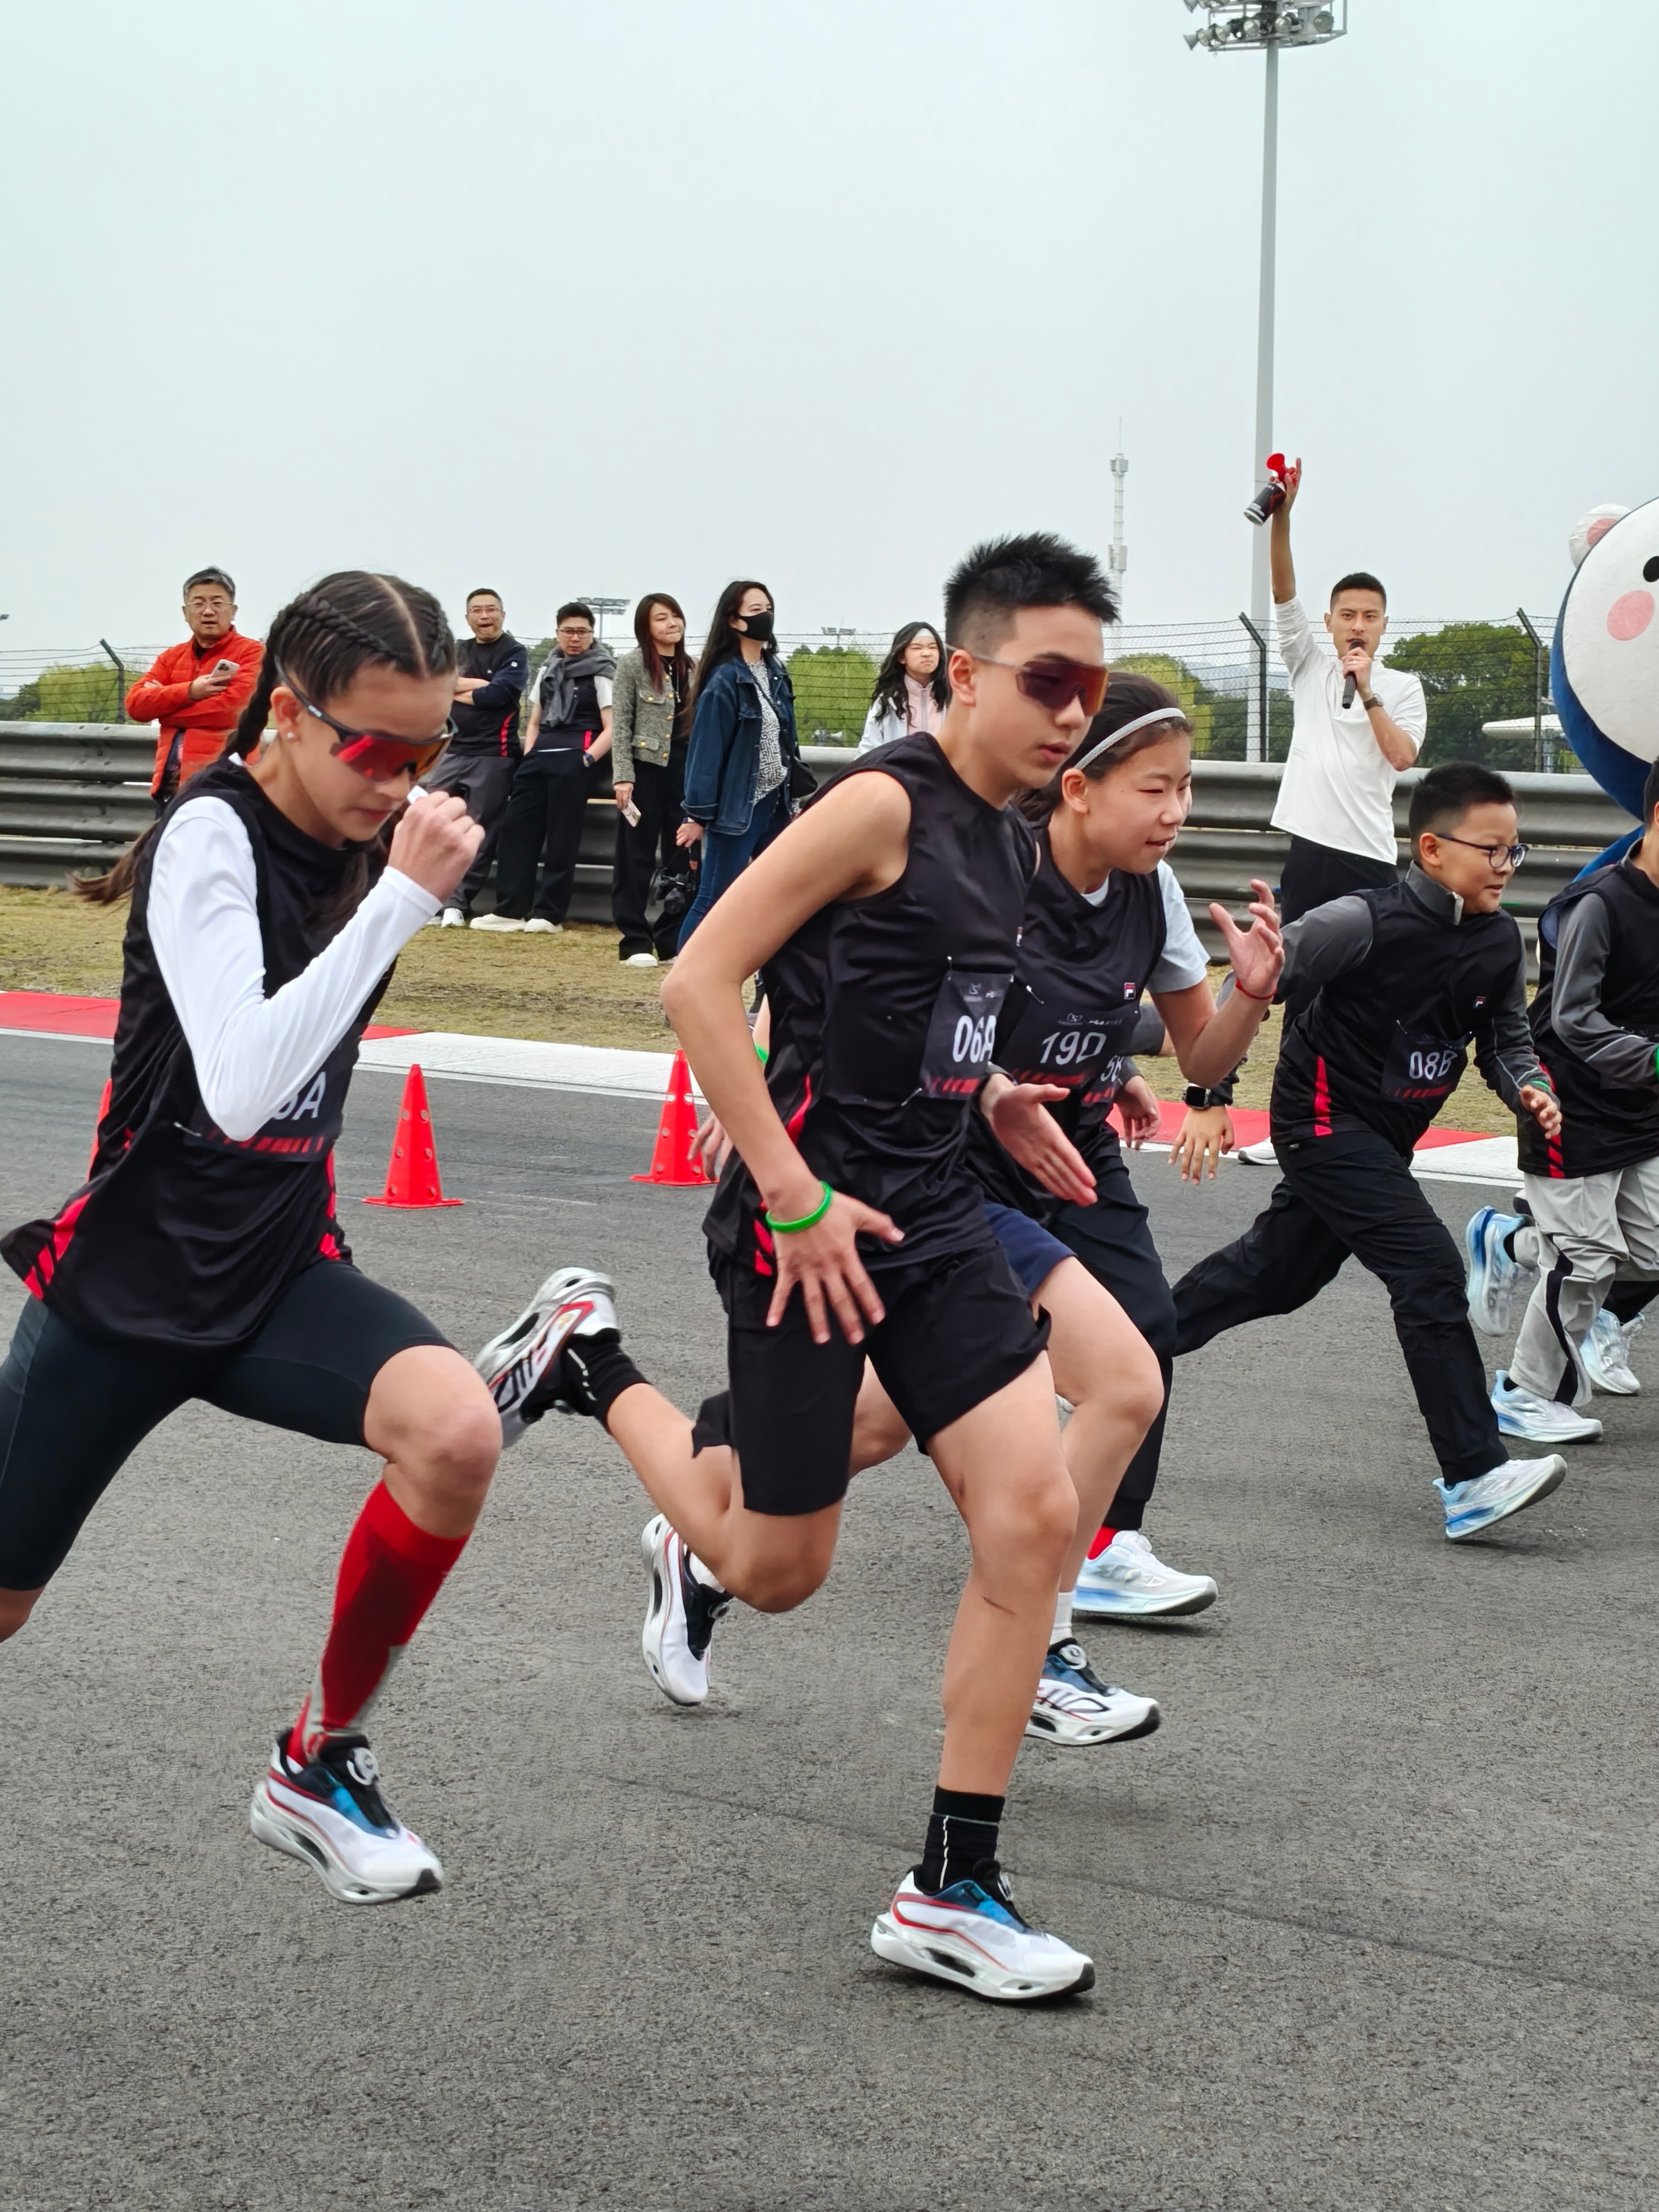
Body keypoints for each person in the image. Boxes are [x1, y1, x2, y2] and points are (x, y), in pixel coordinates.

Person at [476, 533, 1123, 2003]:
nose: (1073, 708)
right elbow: (703, 984)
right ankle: (591, 1359)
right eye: (1049, 677)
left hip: (940, 1214)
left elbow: (932, 1005)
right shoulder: (876, 806)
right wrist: (789, 1192)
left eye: (1092, 679)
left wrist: (1000, 1094)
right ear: (965, 671)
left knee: (1032, 1516)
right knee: (773, 1569)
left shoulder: (1017, 829)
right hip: (804, 1222)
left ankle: (953, 1884)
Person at [0, 571, 527, 1907]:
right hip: (125, 1291)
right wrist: (398, 903)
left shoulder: (373, 830)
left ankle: (315, 1760)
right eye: (373, 749)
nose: (399, 781)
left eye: (426, 753)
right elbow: (239, 1085)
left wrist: (387, 878)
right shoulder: (209, 838)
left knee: (456, 1432)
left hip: (280, 1272)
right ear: (285, 718)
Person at [1172, 761, 1573, 1543]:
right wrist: (1211, 1097)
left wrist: (1528, 1086)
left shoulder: (1496, 940)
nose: (1507, 865)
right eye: (1491, 850)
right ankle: (1473, 1474)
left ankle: (1108, 1356)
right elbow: (1250, 984)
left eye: (1514, 851)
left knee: (1275, 1275)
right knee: (1427, 1266)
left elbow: (1503, 1038)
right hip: (1320, 1125)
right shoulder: (1360, 922)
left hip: (1386, 1140)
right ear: (1431, 848)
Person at [1465, 755, 1659, 1436]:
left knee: (1648, 1251)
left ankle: (1511, 1239)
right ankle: (1523, 1392)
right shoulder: (1598, 904)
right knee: (1585, 1258)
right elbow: (1573, 1018)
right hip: (1570, 1103)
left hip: (1643, 1110)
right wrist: (1653, 1058)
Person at [1267, 458, 1427, 926]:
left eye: (1370, 617)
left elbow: (1401, 757)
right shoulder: (1308, 667)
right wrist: (1284, 517)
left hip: (1369, 854)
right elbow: (1282, 591)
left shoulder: (1404, 687)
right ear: (1329, 623)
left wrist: (1368, 692)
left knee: (1369, 981)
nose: (1358, 626)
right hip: (1310, 850)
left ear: (1384, 626)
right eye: (1348, 615)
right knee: (1302, 980)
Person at [676, 581, 802, 947]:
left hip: (776, 803)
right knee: (714, 901)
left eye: (769, 608)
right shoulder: (724, 680)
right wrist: (697, 815)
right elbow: (706, 751)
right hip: (737, 808)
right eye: (756, 610)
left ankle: (770, 992)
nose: (766, 617)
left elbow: (787, 741)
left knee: (778, 900)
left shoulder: (775, 671)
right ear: (734, 620)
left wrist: (793, 800)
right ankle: (684, 996)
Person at [475, 603, 614, 933]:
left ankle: (549, 914)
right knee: (517, 831)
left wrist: (587, 759)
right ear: (558, 634)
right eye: (568, 631)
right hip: (539, 757)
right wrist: (531, 752)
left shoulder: (602, 671)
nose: (575, 638)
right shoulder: (548, 668)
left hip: (576, 757)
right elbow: (534, 718)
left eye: (582, 631)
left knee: (562, 837)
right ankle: (511, 908)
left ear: (592, 635)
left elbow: (612, 727)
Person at [424, 588, 528, 927]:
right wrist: (479, 687)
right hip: (451, 750)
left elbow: (501, 693)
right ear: (467, 617)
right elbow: (437, 686)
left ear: (503, 614)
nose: (485, 616)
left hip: (493, 755)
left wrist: (464, 689)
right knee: (433, 825)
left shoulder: (515, 651)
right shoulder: (458, 650)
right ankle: (429, 901)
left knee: (478, 832)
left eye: (491, 610)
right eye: (477, 611)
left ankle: (457, 904)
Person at [126, 568, 265, 812]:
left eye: (217, 603)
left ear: (233, 611)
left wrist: (165, 711)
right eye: (198, 603)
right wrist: (190, 691)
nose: (208, 611)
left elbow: (235, 710)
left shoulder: (252, 653)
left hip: (227, 787)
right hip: (170, 788)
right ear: (185, 613)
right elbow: (136, 706)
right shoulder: (171, 658)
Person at [609, 592, 696, 966]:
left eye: (675, 616)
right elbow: (621, 725)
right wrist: (623, 778)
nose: (671, 624)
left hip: (685, 769)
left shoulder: (692, 666)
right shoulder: (631, 666)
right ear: (646, 626)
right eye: (661, 618)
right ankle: (634, 940)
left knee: (681, 855)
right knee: (636, 857)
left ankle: (671, 938)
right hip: (645, 769)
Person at [856, 621, 950, 753]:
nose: (927, 653)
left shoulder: (952, 698)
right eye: (917, 648)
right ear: (901, 657)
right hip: (899, 773)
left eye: (933, 648)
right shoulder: (888, 702)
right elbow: (869, 749)